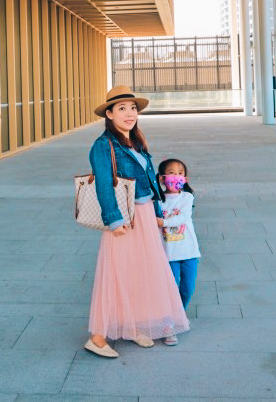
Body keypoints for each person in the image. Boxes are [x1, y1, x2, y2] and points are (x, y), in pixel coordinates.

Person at [83, 86, 190, 358]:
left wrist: (156, 210)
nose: (129, 113)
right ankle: (97, 338)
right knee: (117, 272)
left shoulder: (136, 141)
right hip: (124, 218)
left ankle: (134, 326)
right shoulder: (103, 145)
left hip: (143, 215)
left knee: (140, 271)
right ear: (109, 114)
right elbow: (104, 185)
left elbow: (150, 181)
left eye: (132, 108)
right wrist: (114, 219)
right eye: (121, 109)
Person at [156, 158, 200, 345]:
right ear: (162, 178)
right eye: (172, 173)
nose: (176, 176)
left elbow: (183, 217)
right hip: (169, 255)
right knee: (170, 290)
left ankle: (178, 314)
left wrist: (163, 222)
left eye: (180, 173)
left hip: (189, 253)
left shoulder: (187, 198)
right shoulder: (158, 201)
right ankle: (168, 325)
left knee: (187, 288)